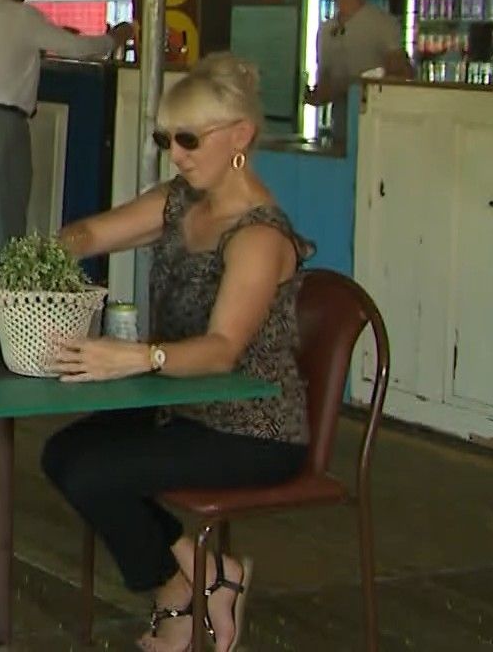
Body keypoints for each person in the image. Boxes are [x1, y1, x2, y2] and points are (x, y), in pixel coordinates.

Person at [40, 54, 310, 652]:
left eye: (189, 139)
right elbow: (92, 233)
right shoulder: (181, 201)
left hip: (252, 428)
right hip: (182, 406)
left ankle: (185, 588)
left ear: (239, 137)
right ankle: (205, 574)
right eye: (166, 139)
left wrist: (137, 358)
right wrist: (46, 256)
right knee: (62, 455)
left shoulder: (259, 235)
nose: (176, 154)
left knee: (93, 472)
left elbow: (221, 351)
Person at [0, 0, 133, 255]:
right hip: (2, 123)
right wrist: (114, 38)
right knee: (7, 215)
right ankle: (5, 283)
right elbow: (76, 48)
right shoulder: (22, 16)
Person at [305, 0, 411, 108]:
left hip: (374, 116)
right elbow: (325, 85)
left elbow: (401, 75)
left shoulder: (381, 23)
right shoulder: (326, 29)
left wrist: (359, 86)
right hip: (341, 119)